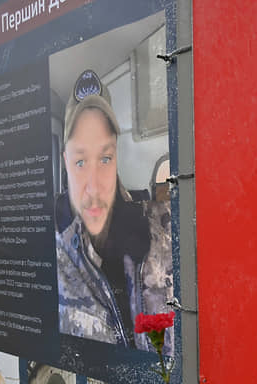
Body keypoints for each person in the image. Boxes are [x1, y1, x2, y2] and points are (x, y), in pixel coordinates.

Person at [55, 69, 173, 353]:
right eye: (81, 162)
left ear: (116, 155)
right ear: (65, 162)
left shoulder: (165, 229)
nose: (93, 186)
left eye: (105, 158)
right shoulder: (50, 256)